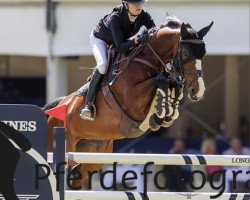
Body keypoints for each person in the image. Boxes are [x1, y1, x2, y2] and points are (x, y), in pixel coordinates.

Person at [79, 0, 156, 120]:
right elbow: (119, 47)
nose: (139, 5)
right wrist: (138, 40)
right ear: (125, 4)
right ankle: (87, 105)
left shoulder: (143, 15)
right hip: (101, 40)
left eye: (140, 3)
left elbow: (154, 31)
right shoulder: (116, 17)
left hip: (120, 41)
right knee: (103, 65)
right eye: (135, 3)